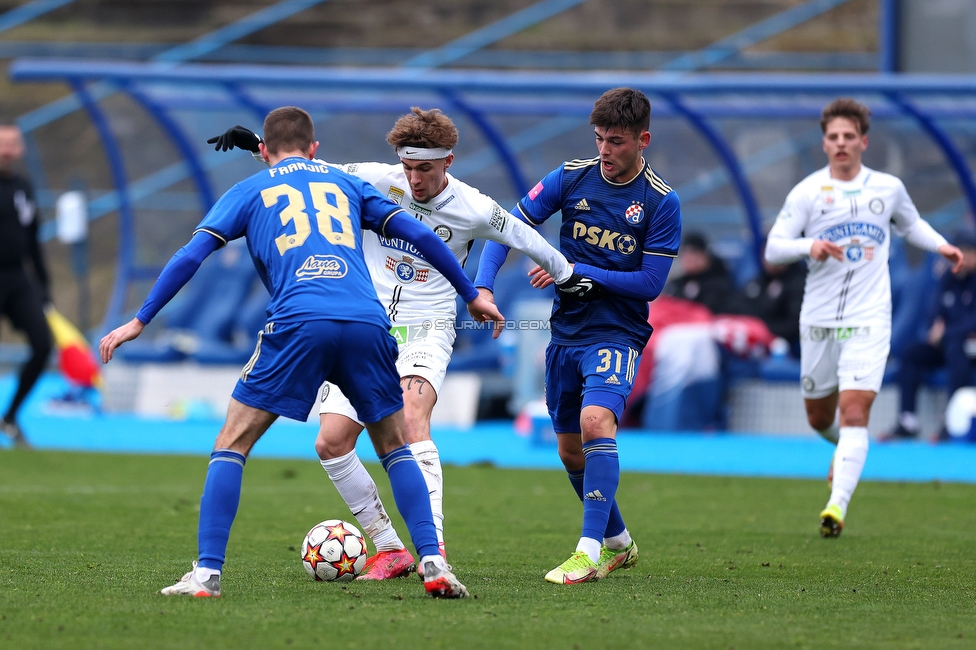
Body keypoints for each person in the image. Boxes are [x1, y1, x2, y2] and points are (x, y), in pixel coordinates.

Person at [100, 106, 507, 599]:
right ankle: (434, 563)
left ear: (265, 153)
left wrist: (139, 319)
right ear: (315, 148)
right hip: (367, 321)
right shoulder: (343, 181)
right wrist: (471, 293)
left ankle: (206, 576)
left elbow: (192, 254)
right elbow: (420, 235)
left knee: (232, 442)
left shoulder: (248, 190)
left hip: (298, 320)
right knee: (395, 446)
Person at [208, 108, 591, 580]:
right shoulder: (372, 179)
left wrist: (569, 276)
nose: (414, 179)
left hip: (427, 326)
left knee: (412, 422)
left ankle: (436, 550)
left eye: (424, 169)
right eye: (407, 168)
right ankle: (390, 548)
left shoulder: (472, 205)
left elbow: (525, 236)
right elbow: (304, 175)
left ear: (448, 162)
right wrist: (256, 147)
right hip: (367, 326)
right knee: (330, 443)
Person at [475, 87, 682, 583]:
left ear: (642, 140)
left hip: (617, 332)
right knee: (570, 452)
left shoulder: (660, 201)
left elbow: (650, 285)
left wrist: (574, 270)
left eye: (615, 141)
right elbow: (508, 225)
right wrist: (483, 285)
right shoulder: (571, 178)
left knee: (596, 422)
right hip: (565, 334)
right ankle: (618, 542)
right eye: (599, 139)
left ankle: (588, 552)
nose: (605, 151)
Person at [765, 98, 963, 538]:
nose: (841, 144)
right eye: (833, 137)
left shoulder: (887, 188)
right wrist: (807, 247)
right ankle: (844, 450)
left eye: (848, 136)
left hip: (870, 317)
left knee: (855, 411)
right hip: (817, 317)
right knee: (820, 417)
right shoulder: (808, 192)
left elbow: (911, 225)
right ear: (824, 144)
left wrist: (942, 246)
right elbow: (774, 247)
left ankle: (836, 506)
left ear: (863, 141)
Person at [886, 233, 976, 441]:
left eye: (968, 252)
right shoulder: (947, 279)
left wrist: (947, 332)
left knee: (956, 349)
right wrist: (937, 328)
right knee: (912, 353)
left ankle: (951, 422)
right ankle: (907, 420)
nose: (963, 257)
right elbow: (934, 314)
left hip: (966, 346)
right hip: (947, 343)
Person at [0, 124, 53, 449]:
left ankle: (10, 417)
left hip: (17, 278)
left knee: (42, 346)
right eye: (2, 145)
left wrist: (44, 286)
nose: (7, 151)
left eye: (12, 145)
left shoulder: (23, 187)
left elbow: (33, 240)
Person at [730, 240, 807, 356]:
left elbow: (795, 324)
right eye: (766, 253)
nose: (769, 259)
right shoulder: (756, 282)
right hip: (749, 340)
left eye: (774, 253)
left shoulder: (799, 283)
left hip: (784, 347)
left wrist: (763, 329)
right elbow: (736, 307)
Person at [664, 231, 736, 315]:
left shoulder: (719, 285)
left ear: (705, 255)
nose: (689, 258)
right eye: (685, 253)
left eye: (693, 252)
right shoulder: (676, 283)